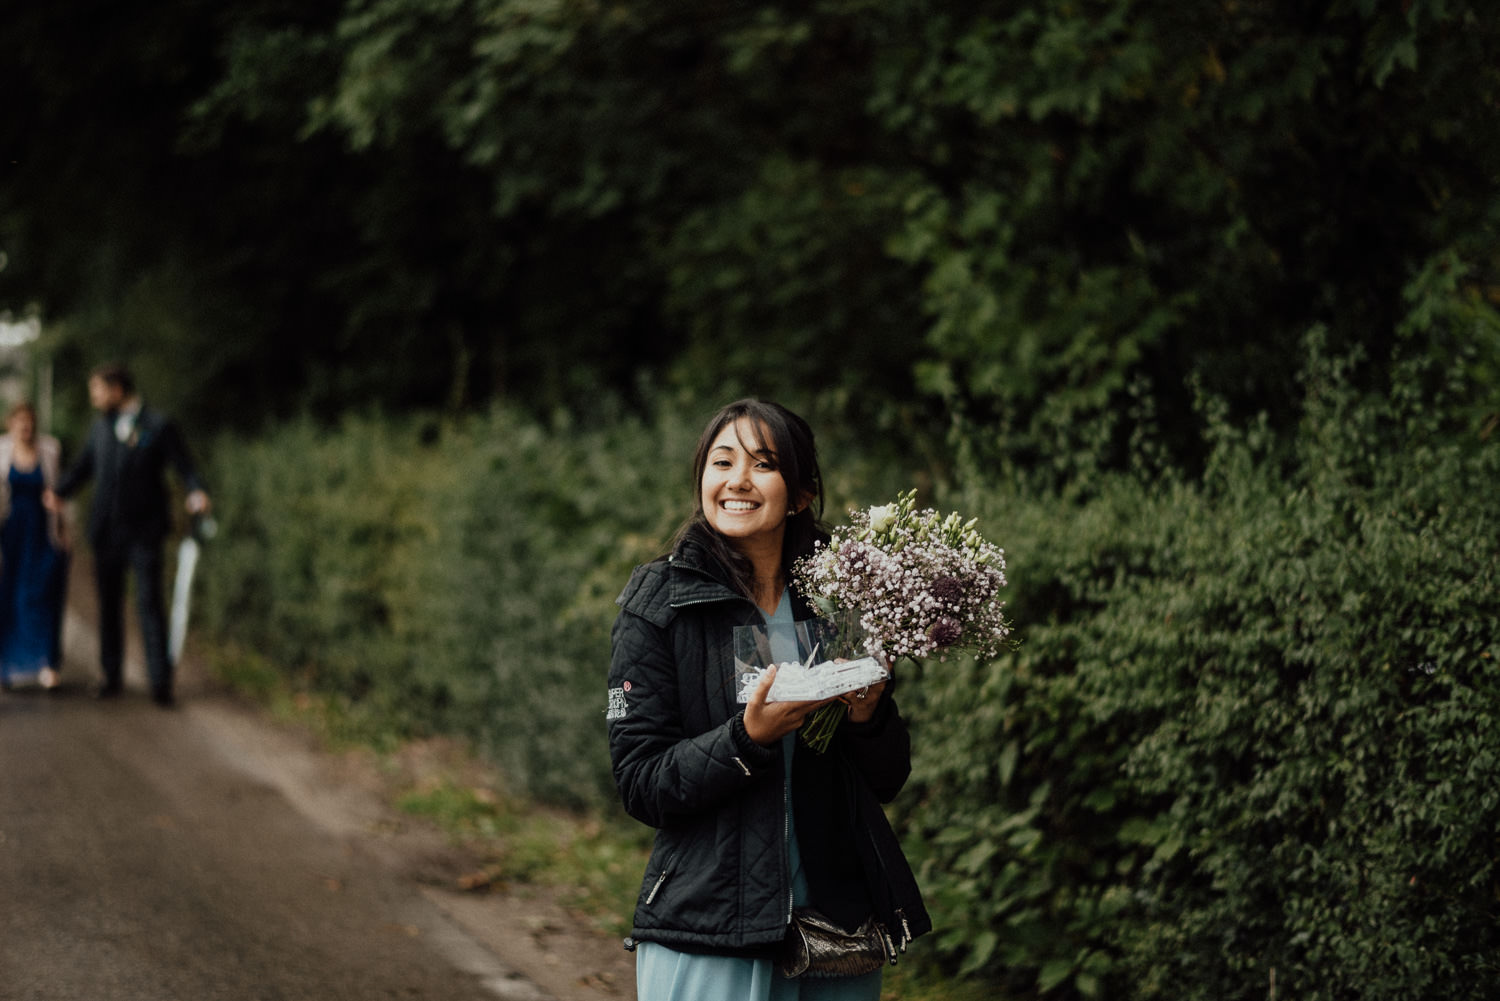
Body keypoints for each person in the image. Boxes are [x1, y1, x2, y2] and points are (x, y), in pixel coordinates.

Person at [606, 399, 930, 1001]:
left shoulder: (840, 597)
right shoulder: (659, 602)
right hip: (711, 924)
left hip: (837, 926)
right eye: (721, 461)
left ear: (802, 493)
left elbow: (886, 779)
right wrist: (746, 739)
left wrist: (866, 715)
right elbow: (641, 783)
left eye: (763, 464)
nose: (737, 481)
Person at [45, 363, 209, 706]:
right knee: (108, 604)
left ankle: (160, 682)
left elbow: (185, 466)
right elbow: (83, 467)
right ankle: (111, 674)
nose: (94, 398)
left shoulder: (158, 425)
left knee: (149, 603)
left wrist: (196, 491)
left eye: (98, 390)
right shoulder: (99, 428)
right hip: (106, 531)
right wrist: (59, 492)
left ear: (117, 389)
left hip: (145, 531)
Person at [0, 402, 69, 691]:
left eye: (29, 421)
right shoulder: (1, 450)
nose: (25, 427)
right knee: (8, 599)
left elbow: (62, 491)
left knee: (45, 597)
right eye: (20, 421)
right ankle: (6, 666)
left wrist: (64, 528)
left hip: (43, 535)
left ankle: (48, 663)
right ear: (11, 423)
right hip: (11, 535)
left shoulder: (50, 450)